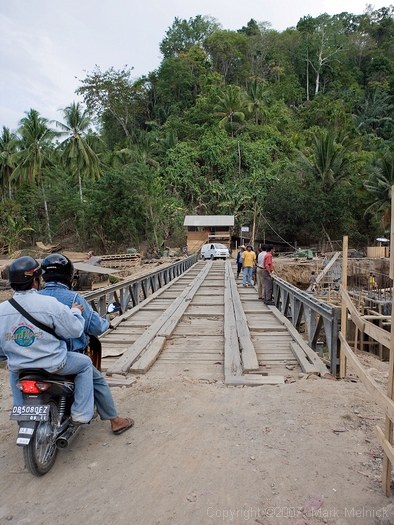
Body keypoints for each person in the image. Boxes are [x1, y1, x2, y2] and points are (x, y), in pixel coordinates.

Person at [40, 253, 134, 435]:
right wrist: (107, 322)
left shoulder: (34, 298)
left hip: (35, 355)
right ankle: (115, 421)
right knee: (98, 380)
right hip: (65, 358)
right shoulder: (74, 299)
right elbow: (95, 326)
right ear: (68, 275)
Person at [0, 256, 94, 427]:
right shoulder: (49, 304)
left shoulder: (2, 310)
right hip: (53, 364)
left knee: (13, 372)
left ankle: (21, 411)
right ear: (36, 281)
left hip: (20, 366)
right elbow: (74, 330)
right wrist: (75, 312)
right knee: (86, 364)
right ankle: (81, 413)